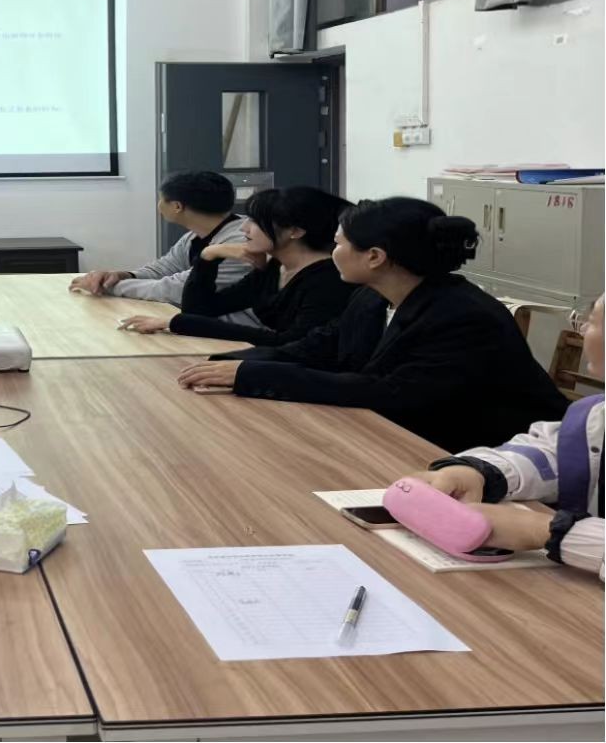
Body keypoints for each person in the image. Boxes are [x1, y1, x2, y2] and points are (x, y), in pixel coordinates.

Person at [176, 197, 570, 452]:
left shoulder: (463, 316)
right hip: (406, 436)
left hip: (487, 453)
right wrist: (232, 364)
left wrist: (253, 375)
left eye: (339, 244)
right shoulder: (372, 296)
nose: (333, 252)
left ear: (375, 257)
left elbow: (390, 392)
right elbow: (319, 346)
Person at [415, 295, 603, 580]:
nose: (583, 330)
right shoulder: (594, 415)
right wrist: (479, 472)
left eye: (592, 321)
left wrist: (546, 531)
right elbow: (554, 455)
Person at [118, 187, 357, 345]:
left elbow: (290, 342)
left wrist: (176, 323)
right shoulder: (276, 267)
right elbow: (200, 309)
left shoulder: (327, 279)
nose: (244, 228)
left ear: (295, 231)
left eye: (255, 222)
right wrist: (209, 256)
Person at [69, 171, 257, 322]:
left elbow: (174, 290)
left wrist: (108, 287)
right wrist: (121, 275)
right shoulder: (194, 235)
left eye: (161, 199)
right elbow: (163, 269)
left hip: (239, 335)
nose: (158, 205)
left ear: (177, 206)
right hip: (204, 323)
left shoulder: (241, 240)